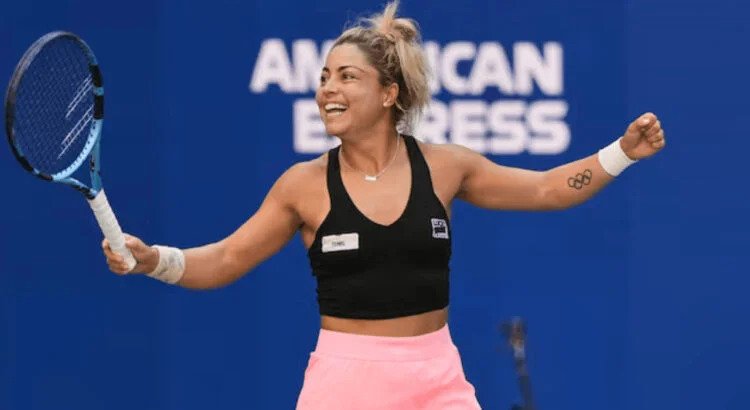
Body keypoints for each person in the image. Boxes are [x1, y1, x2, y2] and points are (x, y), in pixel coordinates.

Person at [102, 1, 666, 408]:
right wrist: (155, 260)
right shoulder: (302, 185)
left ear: (389, 93)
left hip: (439, 378)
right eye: (324, 78)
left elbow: (546, 189)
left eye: (347, 77)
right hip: (344, 384)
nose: (328, 89)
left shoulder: (446, 167)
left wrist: (622, 152)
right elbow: (226, 259)